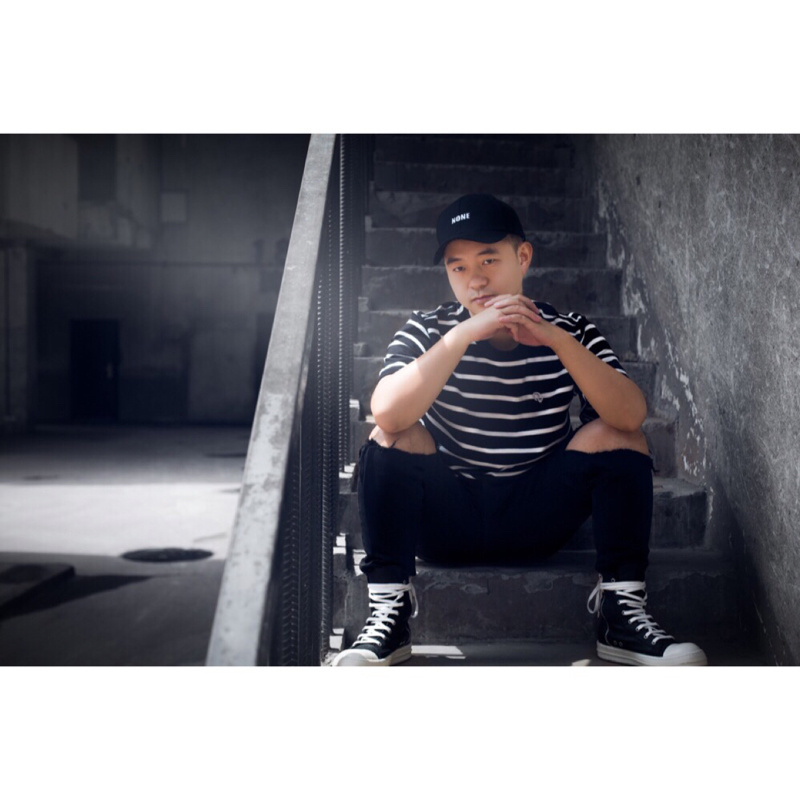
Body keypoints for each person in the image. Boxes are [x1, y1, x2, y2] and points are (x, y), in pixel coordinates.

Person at [332, 193, 706, 667]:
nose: (475, 279)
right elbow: (386, 412)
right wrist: (464, 334)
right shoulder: (428, 329)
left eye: (488, 259)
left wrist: (553, 339)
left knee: (619, 435)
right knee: (392, 437)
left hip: (537, 516)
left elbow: (631, 416)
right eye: (458, 267)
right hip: (446, 520)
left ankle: (621, 616)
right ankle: (389, 616)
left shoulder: (570, 329)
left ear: (523, 257)